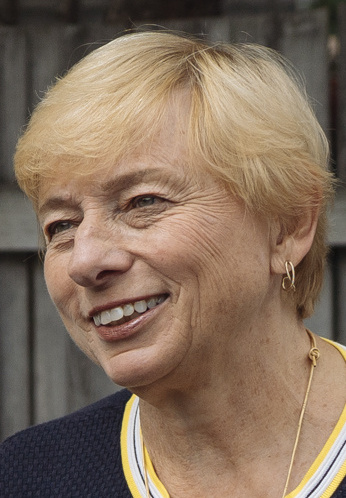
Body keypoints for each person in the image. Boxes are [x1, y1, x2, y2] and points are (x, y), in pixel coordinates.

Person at [0, 30, 345, 498]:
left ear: (287, 225)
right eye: (61, 226)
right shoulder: (26, 477)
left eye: (142, 201)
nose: (84, 260)